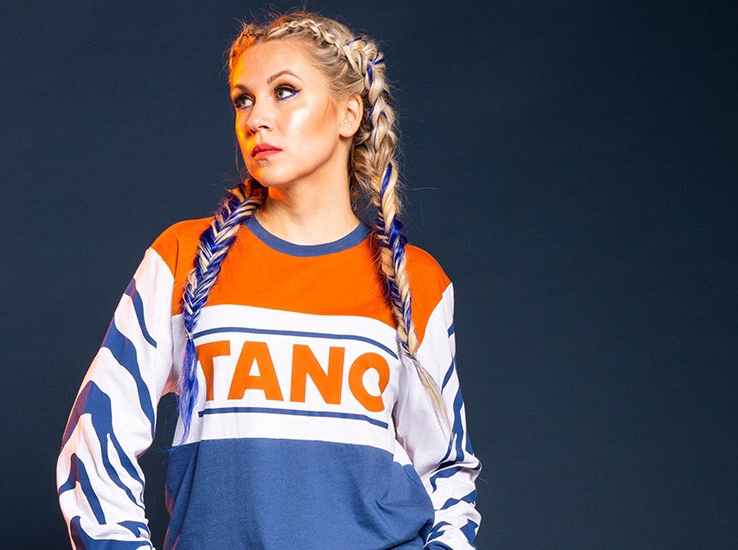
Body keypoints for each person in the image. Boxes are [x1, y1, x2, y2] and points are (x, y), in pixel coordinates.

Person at [56, 11, 482, 550]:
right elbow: (97, 439)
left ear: (349, 112)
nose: (256, 118)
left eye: (284, 92)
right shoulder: (184, 256)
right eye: (243, 99)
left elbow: (446, 471)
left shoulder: (413, 280)